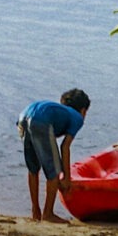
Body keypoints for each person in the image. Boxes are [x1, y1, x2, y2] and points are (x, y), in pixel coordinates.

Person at [17, 88, 91, 223]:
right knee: (53, 172)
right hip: (40, 121)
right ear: (83, 110)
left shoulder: (60, 111)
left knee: (33, 168)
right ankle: (48, 213)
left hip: (23, 117)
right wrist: (66, 178)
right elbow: (65, 146)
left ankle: (35, 211)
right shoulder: (77, 118)